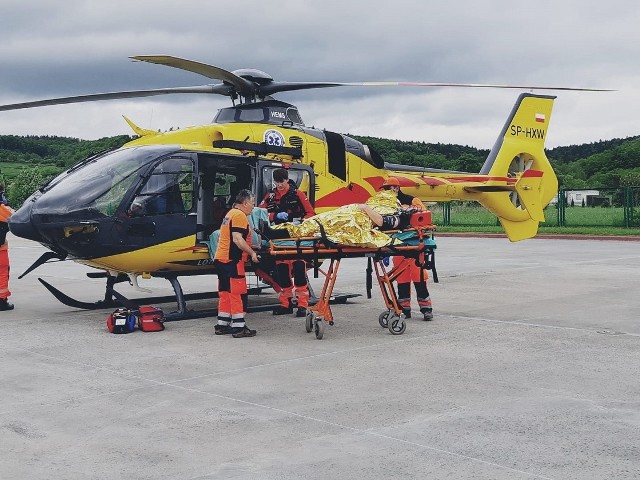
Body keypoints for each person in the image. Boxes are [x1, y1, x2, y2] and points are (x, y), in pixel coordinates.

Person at [259, 168, 315, 317]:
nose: (279, 185)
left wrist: (302, 222)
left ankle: (303, 304)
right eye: (277, 182)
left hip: (294, 236)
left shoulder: (298, 194)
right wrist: (274, 215)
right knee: (282, 271)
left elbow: (310, 213)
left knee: (298, 269)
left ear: (287, 180)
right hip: (278, 237)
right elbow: (259, 213)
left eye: (282, 182)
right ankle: (286, 304)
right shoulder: (270, 196)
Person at [380, 177, 434, 321]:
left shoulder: (412, 201)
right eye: (385, 189)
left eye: (388, 188)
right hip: (398, 245)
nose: (386, 192)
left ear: (395, 188)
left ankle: (426, 309)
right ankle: (405, 308)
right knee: (401, 278)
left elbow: (424, 218)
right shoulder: (385, 206)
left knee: (419, 277)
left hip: (415, 244)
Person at [213, 189, 259, 338]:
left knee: (225, 292)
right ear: (245, 203)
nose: (253, 206)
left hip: (221, 259)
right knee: (237, 293)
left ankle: (222, 324)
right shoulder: (239, 215)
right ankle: (239, 327)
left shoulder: (230, 213)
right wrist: (252, 253)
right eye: (252, 203)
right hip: (232, 260)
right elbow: (237, 239)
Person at [0, 185, 14, 311]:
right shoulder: (2, 209)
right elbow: (15, 218)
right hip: (0, 251)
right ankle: (1, 301)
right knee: (2, 274)